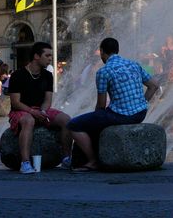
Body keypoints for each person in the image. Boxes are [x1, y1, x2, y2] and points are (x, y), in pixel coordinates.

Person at [67, 37, 159, 171]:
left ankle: (92, 161)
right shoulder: (134, 65)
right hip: (140, 113)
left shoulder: (104, 71)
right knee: (95, 121)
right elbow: (154, 85)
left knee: (73, 125)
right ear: (118, 50)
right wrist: (142, 102)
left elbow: (101, 105)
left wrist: (94, 119)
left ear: (102, 52)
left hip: (121, 116)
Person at [7, 42, 74, 173]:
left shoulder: (48, 75)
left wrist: (42, 112)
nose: (50, 58)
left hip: (40, 109)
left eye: (51, 56)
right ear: (36, 56)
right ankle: (25, 163)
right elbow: (15, 102)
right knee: (29, 121)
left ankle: (66, 159)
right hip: (21, 111)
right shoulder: (18, 75)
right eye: (47, 55)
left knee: (67, 120)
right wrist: (32, 112)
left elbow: (48, 100)